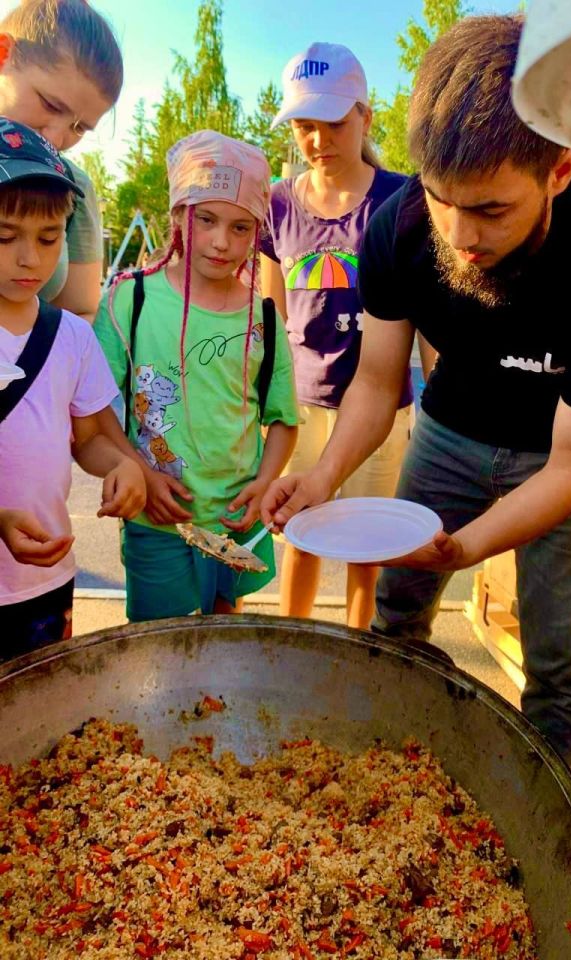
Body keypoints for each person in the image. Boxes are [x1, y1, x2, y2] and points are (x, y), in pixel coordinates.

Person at [262, 14, 571, 769]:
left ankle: (551, 823)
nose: (460, 233)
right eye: (443, 198)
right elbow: (379, 382)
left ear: (561, 169)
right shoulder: (399, 226)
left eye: (490, 210)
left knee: (553, 661)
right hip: (446, 434)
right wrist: (320, 478)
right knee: (398, 612)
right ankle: (384, 770)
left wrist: (465, 547)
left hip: (557, 454)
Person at [94, 131, 299, 622]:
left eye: (241, 227)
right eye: (205, 219)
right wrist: (141, 474)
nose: (221, 242)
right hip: (157, 522)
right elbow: (95, 414)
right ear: (177, 215)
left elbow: (284, 420)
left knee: (222, 643)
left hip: (236, 521)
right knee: (160, 649)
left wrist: (266, 482)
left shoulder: (263, 318)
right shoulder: (129, 302)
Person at [260, 42, 410, 630]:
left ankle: (358, 653)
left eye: (332, 122)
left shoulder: (399, 199)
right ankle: (292, 643)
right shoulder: (277, 203)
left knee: (366, 548)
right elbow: (273, 316)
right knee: (299, 534)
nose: (318, 140)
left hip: (380, 411)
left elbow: (418, 315)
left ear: (365, 117)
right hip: (300, 407)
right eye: (303, 126)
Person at [0, 119, 145, 656]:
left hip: (46, 579)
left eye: (48, 237)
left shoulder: (72, 337)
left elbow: (90, 438)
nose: (29, 257)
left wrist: (122, 465)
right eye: (5, 236)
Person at [0, 0, 124, 322]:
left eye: (79, 127)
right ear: (3, 54)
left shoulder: (72, 184)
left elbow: (79, 312)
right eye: (50, 105)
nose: (56, 139)